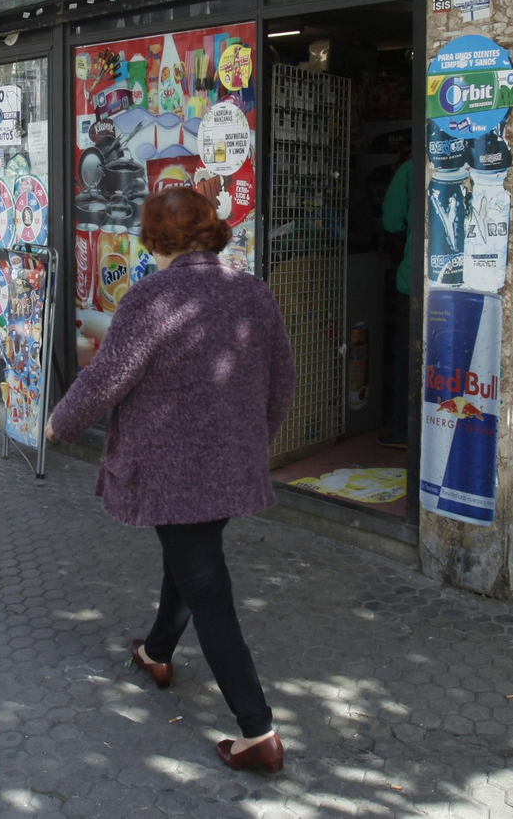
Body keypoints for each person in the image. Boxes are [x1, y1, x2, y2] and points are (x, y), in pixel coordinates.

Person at [45, 187, 295, 774]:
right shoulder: (252, 292)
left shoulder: (151, 295)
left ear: (155, 240)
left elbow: (107, 376)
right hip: (228, 468)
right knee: (188, 556)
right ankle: (157, 651)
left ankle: (258, 731)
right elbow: (282, 379)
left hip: (172, 472)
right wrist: (254, 442)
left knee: (208, 588)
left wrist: (58, 423)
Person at [379, 151, 414, 450]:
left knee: (408, 356)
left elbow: (391, 222)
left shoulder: (410, 170)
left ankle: (403, 429)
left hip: (414, 281)